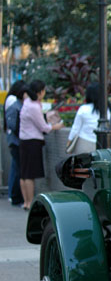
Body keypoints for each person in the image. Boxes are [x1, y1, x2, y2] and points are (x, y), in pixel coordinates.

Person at [19, 80, 64, 210]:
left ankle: (26, 202)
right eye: (43, 90)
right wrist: (57, 126)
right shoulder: (33, 106)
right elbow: (43, 127)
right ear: (40, 92)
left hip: (24, 140)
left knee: (24, 173)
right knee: (29, 174)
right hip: (32, 142)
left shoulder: (27, 102)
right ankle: (29, 203)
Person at [67, 83, 111, 154]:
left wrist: (69, 142)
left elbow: (75, 128)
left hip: (83, 143)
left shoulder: (83, 109)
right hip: (103, 146)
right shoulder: (109, 110)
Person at [3, 80, 26, 206]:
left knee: (15, 168)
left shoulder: (10, 99)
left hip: (13, 139)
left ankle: (13, 195)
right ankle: (15, 196)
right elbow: (13, 123)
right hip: (16, 140)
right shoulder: (13, 101)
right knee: (17, 169)